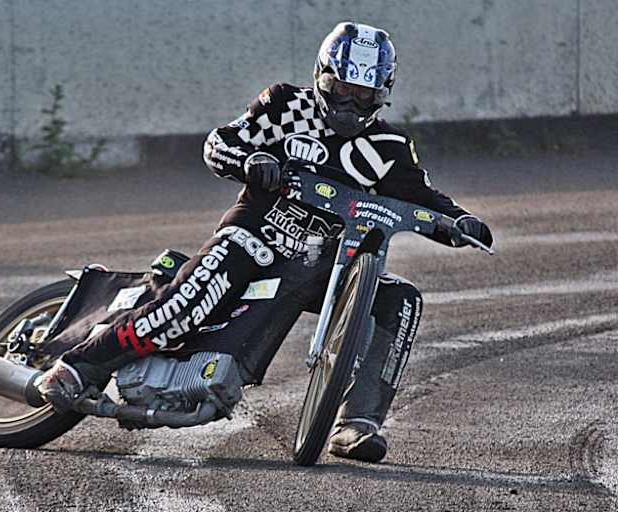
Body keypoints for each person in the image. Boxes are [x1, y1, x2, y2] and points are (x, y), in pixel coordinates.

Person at [34, 21, 493, 463]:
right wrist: (250, 162)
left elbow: (423, 197)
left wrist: (461, 221)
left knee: (402, 299)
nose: (351, 103)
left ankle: (357, 423)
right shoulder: (283, 105)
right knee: (191, 304)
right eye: (341, 89)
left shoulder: (390, 146)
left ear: (383, 94)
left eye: (364, 94)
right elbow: (220, 143)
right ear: (322, 76)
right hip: (253, 237)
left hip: (320, 265)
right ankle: (80, 365)